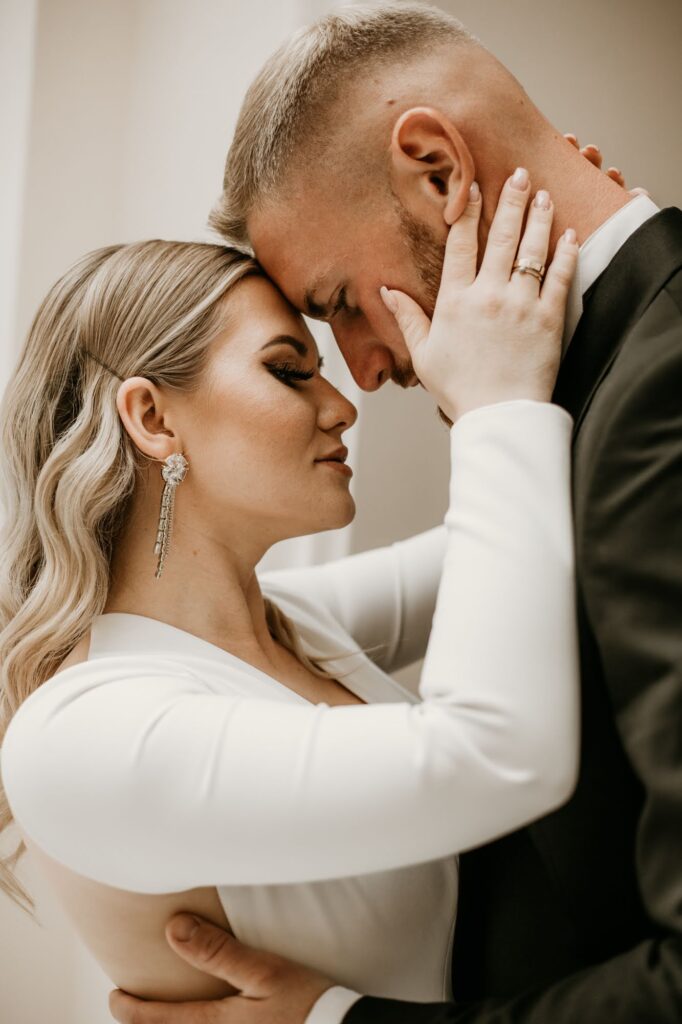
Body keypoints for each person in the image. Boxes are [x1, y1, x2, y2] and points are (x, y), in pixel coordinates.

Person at [107, 4, 682, 1024]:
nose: (363, 375)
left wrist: (341, 1021)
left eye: (338, 303)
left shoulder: (657, 393)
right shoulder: (600, 387)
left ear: (438, 170)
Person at [0, 181, 580, 1009]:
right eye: (287, 371)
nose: (342, 407)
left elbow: (526, 536)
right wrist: (495, 409)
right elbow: (496, 755)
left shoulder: (288, 625)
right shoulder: (80, 734)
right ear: (153, 419)